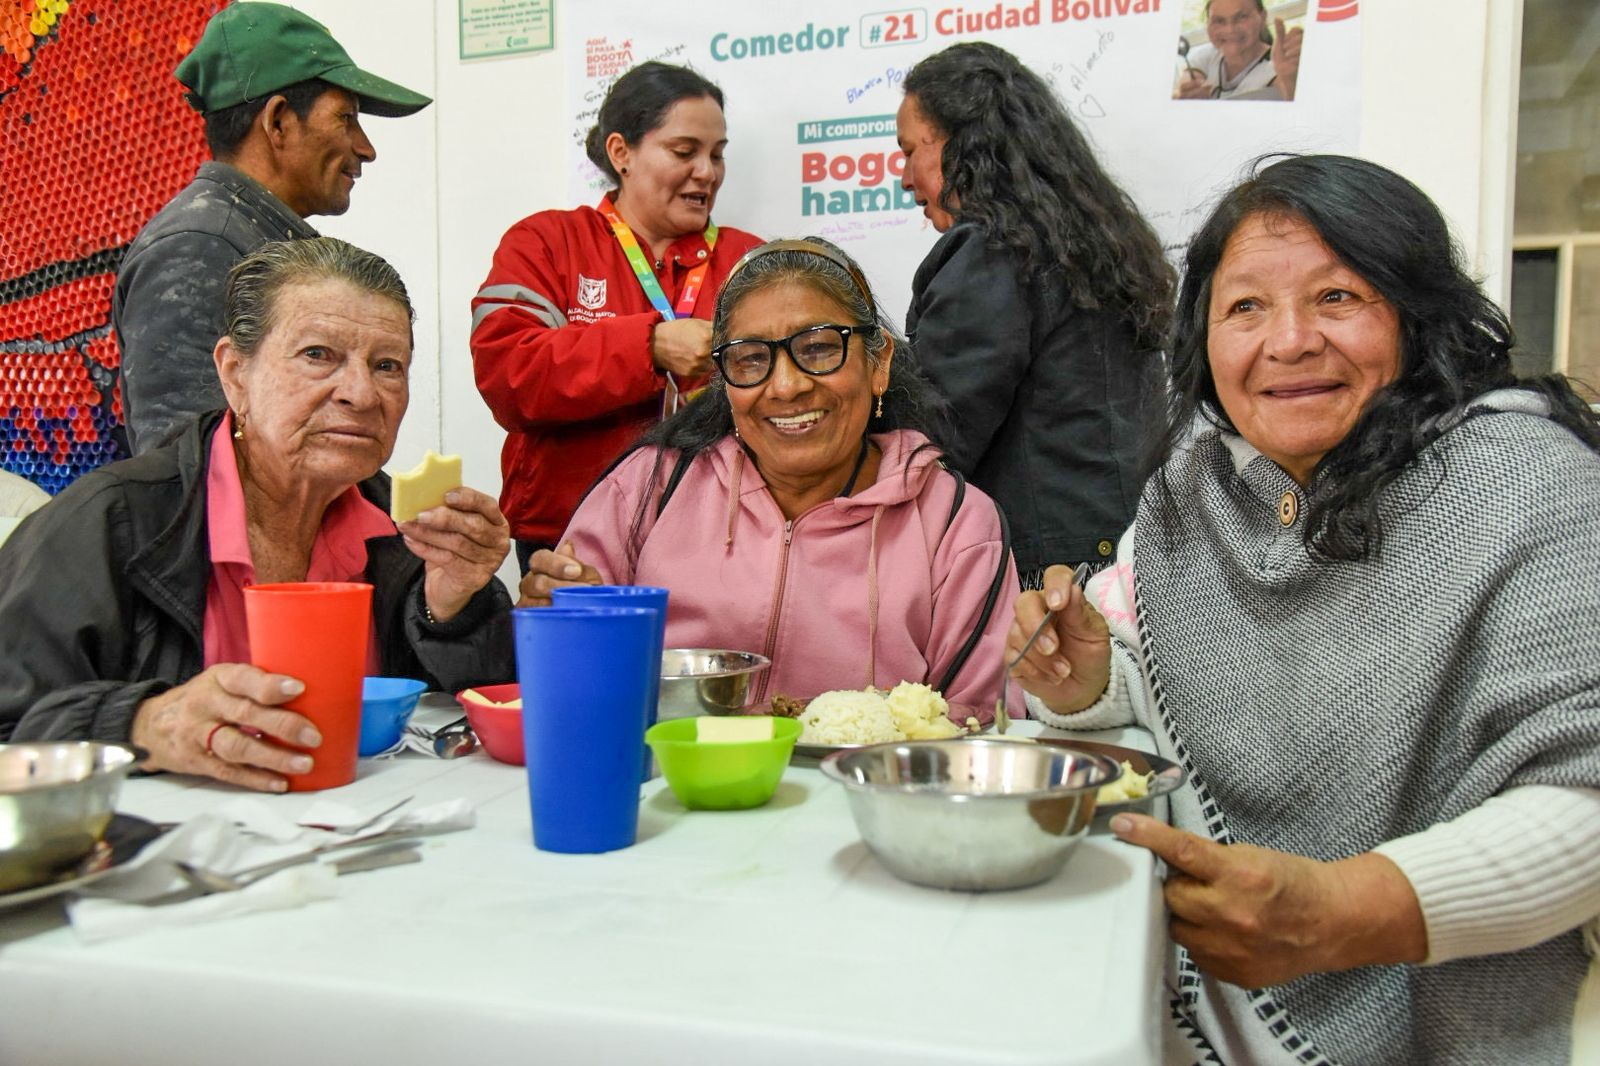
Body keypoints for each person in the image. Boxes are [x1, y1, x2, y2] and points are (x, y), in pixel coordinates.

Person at [1009, 155, 1600, 1063]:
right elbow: (1160, 699)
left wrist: (1349, 911)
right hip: (1189, 995)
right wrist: (1088, 681)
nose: (1287, 342)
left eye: (1337, 297)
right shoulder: (1195, 489)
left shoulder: (1529, 483)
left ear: (1417, 313)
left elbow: (1586, 794)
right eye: (1245, 307)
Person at [0, 238, 514, 793]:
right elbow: (13, 726)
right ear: (235, 372)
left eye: (387, 365)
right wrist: (144, 723)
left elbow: (468, 721)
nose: (362, 393)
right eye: (319, 354)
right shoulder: (110, 521)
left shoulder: (403, 531)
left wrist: (453, 606)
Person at [519, 239, 1021, 718]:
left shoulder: (956, 523)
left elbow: (983, 721)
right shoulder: (648, 489)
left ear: (879, 364)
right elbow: (565, 682)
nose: (785, 386)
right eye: (751, 358)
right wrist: (553, 625)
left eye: (820, 348)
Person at [898, 42, 1175, 582]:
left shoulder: (992, 251)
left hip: (1045, 574)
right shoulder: (1100, 245)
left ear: (964, 144)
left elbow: (935, 432)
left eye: (911, 150)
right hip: (1125, 552)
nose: (905, 177)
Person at [471, 61, 762, 572]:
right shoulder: (545, 243)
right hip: (569, 533)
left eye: (717, 155)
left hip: (720, 537)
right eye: (684, 151)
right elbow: (508, 374)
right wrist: (647, 347)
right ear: (621, 152)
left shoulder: (750, 261)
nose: (707, 172)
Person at [114, 1, 431, 455]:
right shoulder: (198, 249)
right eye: (346, 118)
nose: (365, 148)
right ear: (278, 121)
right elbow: (185, 472)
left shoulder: (256, 239)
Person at [1174, 0, 1303, 101]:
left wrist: (1290, 78)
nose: (1230, 29)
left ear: (1262, 17)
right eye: (1219, 21)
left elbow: (1295, 102)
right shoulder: (1206, 55)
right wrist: (1186, 94)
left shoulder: (1278, 64)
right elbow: (1184, 86)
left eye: (1242, 17)